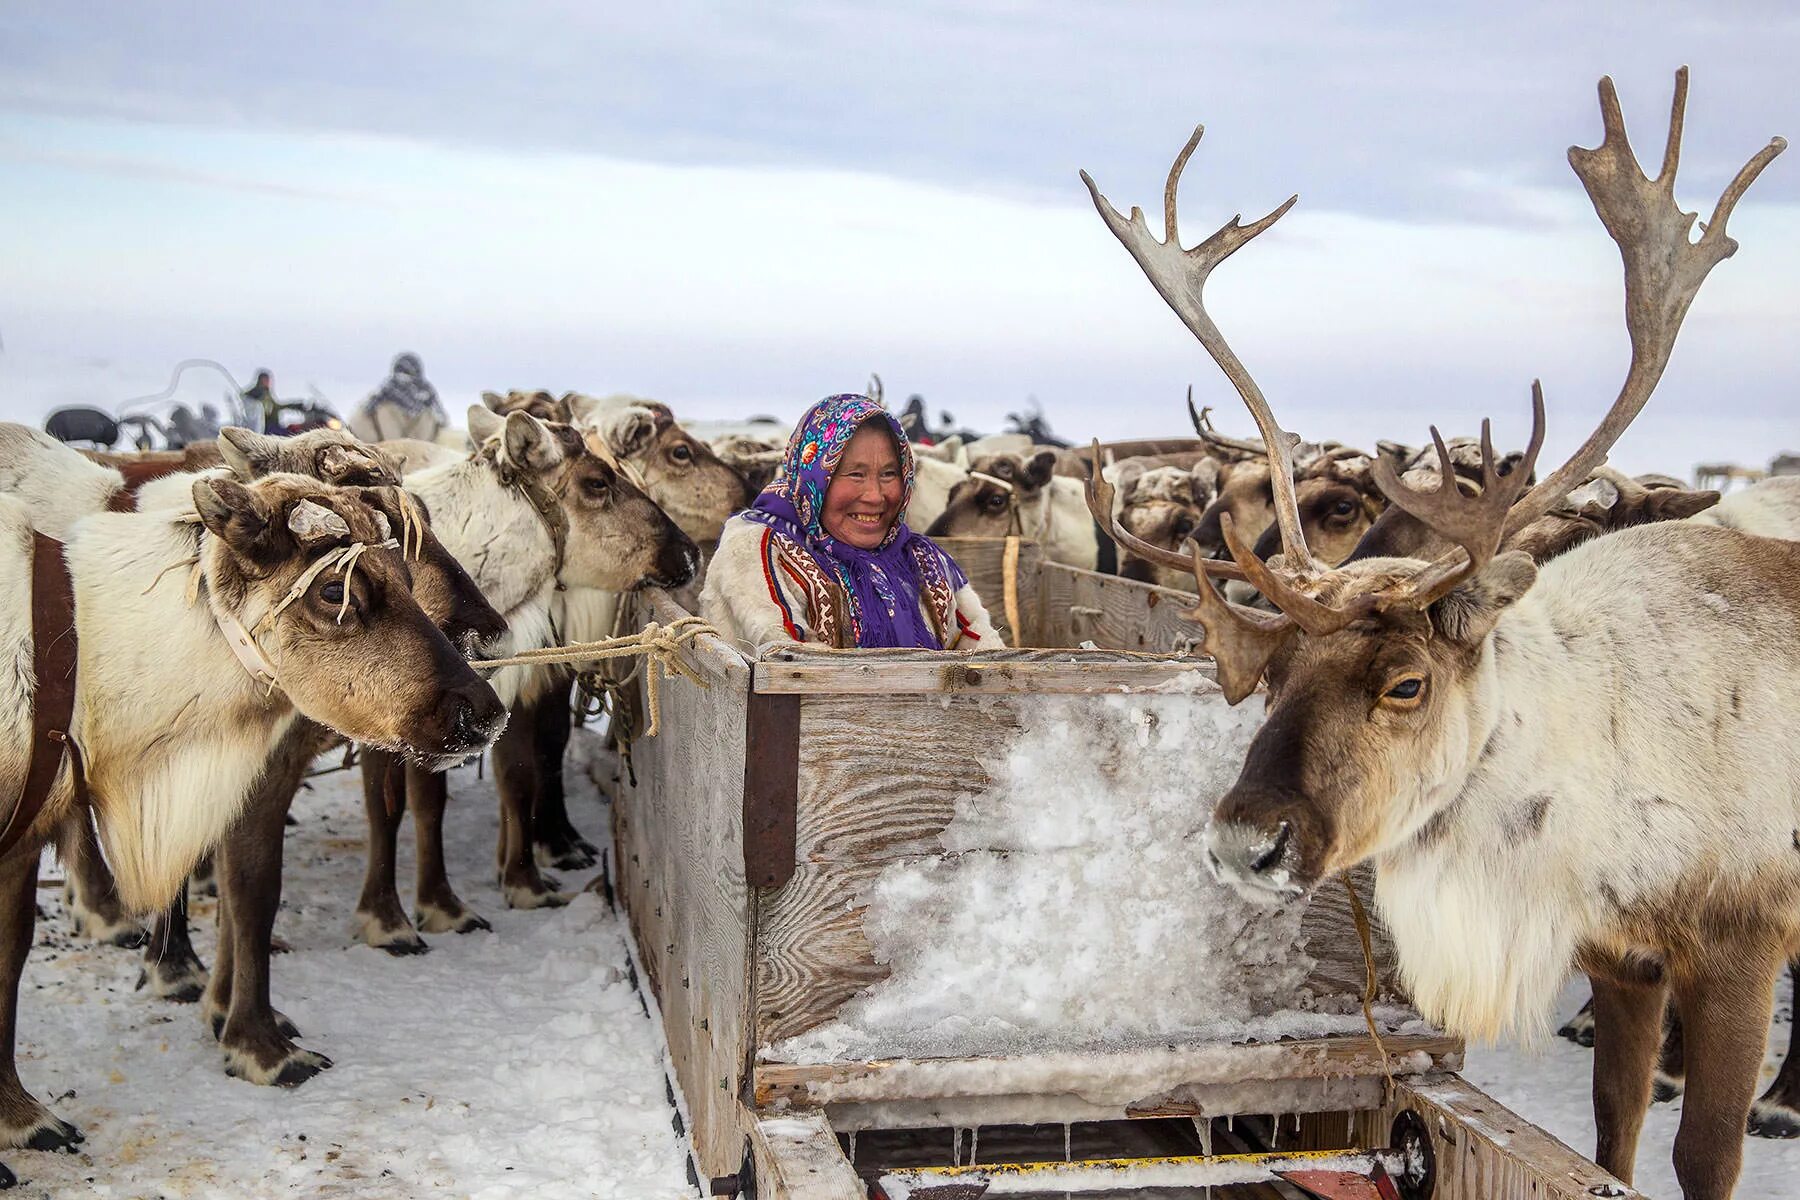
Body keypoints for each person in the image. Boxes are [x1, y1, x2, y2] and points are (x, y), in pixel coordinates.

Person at [701, 393, 1001, 651]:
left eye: (888, 474)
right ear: (814, 479)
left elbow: (978, 645)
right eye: (855, 474)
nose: (875, 496)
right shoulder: (758, 550)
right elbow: (783, 657)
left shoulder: (921, 561)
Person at [349, 352, 447, 443]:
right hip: (377, 449)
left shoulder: (427, 397)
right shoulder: (382, 397)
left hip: (421, 450)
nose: (404, 382)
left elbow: (442, 421)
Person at [242, 370, 279, 434]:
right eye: (266, 380)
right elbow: (245, 399)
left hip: (270, 423)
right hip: (261, 426)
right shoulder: (255, 393)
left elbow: (275, 407)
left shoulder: (267, 394)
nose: (268, 382)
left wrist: (294, 406)